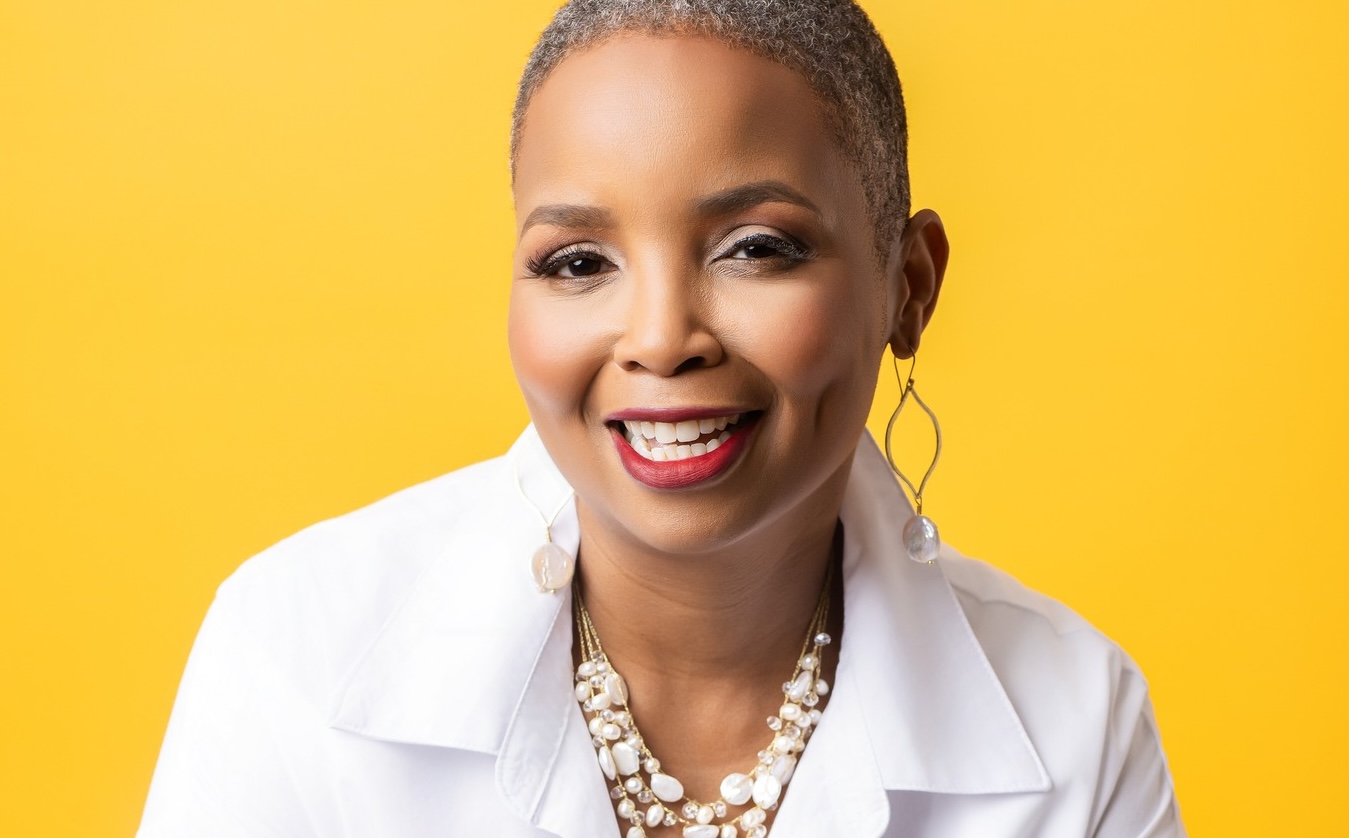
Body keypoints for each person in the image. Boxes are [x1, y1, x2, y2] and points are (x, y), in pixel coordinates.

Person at [138, 1, 1185, 836]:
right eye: (578, 261)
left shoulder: (1074, 719)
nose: (659, 336)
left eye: (754, 247)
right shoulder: (295, 653)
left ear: (906, 285)